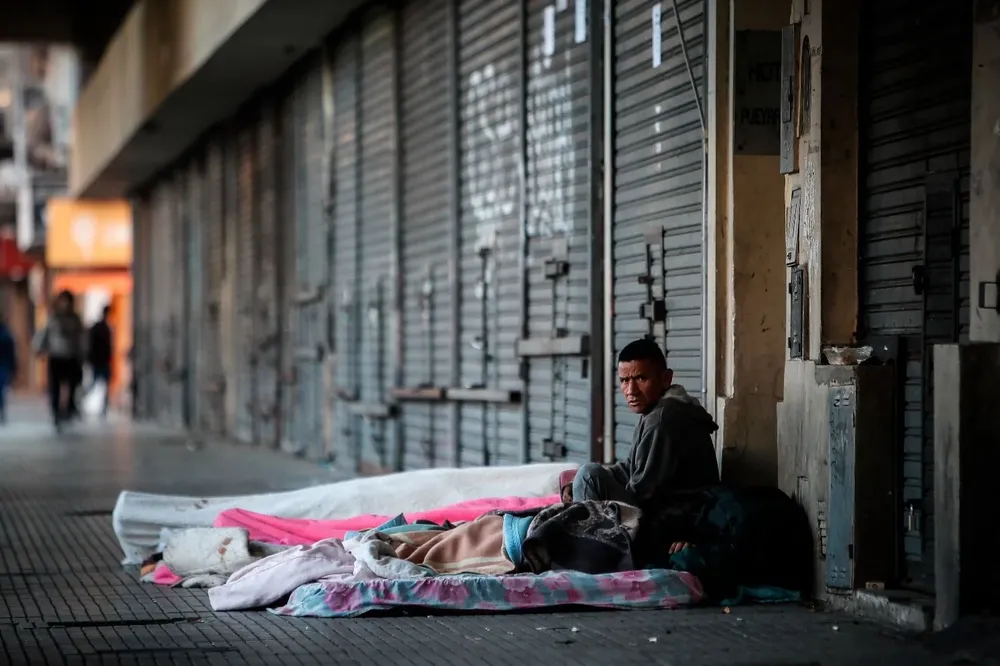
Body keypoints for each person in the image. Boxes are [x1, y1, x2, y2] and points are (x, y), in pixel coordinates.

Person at [569, 338, 720, 511]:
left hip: (680, 519)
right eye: (625, 380)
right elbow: (630, 469)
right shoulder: (655, 409)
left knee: (589, 475)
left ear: (666, 378)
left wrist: (590, 485)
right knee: (584, 477)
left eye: (641, 378)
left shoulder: (664, 418)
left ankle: (589, 536)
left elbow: (644, 495)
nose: (631, 391)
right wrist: (576, 485)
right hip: (668, 512)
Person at [34, 291, 85, 431]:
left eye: (67, 301)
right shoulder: (53, 318)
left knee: (72, 384)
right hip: (56, 356)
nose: (65, 304)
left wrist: (84, 353)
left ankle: (68, 409)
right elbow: (44, 334)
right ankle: (56, 411)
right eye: (62, 301)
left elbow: (82, 338)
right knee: (55, 386)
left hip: (72, 357)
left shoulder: (75, 319)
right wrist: (39, 348)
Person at [87, 305, 113, 418]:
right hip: (100, 359)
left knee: (100, 383)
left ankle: (104, 408)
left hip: (101, 360)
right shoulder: (102, 328)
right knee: (97, 383)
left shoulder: (102, 327)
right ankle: (103, 408)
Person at [0, 317, 16, 424]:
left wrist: (13, 367)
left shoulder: (5, 334)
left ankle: (2, 411)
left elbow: (11, 353)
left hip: (3, 365)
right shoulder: (6, 334)